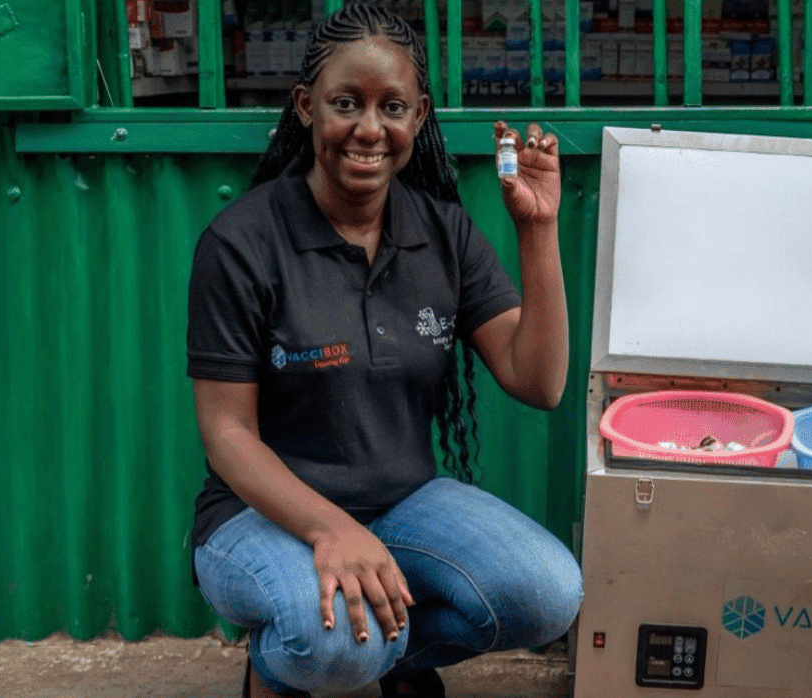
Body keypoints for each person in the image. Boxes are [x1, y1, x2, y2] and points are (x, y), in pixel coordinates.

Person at [184, 5, 583, 697]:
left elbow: (538, 381)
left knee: (545, 594)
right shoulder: (243, 243)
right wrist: (331, 530)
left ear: (419, 116)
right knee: (334, 643)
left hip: (403, 505)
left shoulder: (443, 234)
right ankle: (286, 661)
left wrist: (537, 230)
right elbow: (226, 436)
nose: (370, 129)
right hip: (261, 517)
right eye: (346, 103)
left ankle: (394, 652)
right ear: (307, 108)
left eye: (392, 106)